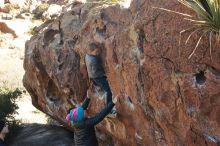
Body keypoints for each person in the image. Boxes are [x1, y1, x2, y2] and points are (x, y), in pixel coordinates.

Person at [85, 42, 116, 117]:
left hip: (92, 76)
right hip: (96, 77)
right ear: (91, 51)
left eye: (98, 51)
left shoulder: (87, 55)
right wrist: (105, 74)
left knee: (101, 86)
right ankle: (109, 109)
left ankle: (99, 89)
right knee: (108, 90)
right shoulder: (94, 60)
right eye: (96, 52)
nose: (98, 53)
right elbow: (96, 72)